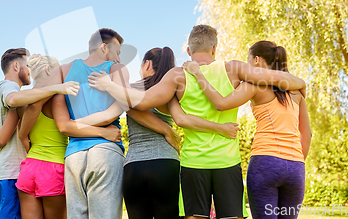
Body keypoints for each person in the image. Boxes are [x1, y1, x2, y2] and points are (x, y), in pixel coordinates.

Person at [88, 25, 306, 219]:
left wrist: (110, 86)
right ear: (214, 49)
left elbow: (143, 102)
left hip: (194, 163)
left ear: (189, 51)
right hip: (227, 162)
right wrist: (301, 83)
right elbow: (276, 78)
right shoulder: (234, 68)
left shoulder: (177, 75)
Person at [19, 28, 177, 219]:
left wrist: (26, 133)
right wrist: (102, 132)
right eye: (117, 52)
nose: (118, 59)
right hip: (105, 152)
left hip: (74, 156)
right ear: (104, 47)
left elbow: (60, 124)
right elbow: (114, 113)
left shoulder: (63, 70)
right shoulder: (117, 69)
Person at [88, 46, 240, 219]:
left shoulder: (126, 92)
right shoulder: (171, 91)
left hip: (134, 166)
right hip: (166, 164)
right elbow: (182, 119)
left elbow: (123, 109)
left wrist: (77, 125)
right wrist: (166, 130)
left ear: (146, 64)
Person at [183, 41, 312, 219]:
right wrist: (295, 163)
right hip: (296, 166)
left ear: (257, 60)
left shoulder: (253, 85)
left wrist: (198, 74)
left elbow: (221, 103)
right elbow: (307, 133)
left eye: (248, 60)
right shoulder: (296, 91)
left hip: (266, 162)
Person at [14, 54, 124, 219]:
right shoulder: (57, 96)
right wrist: (102, 131)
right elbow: (65, 126)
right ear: (48, 69)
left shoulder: (24, 102)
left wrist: (23, 136)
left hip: (29, 167)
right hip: (53, 168)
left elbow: (25, 120)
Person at [0, 48, 79, 219]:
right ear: (49, 70)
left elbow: (21, 135)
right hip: (43, 168)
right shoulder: (13, 89)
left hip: (23, 171)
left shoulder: (8, 98)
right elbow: (66, 126)